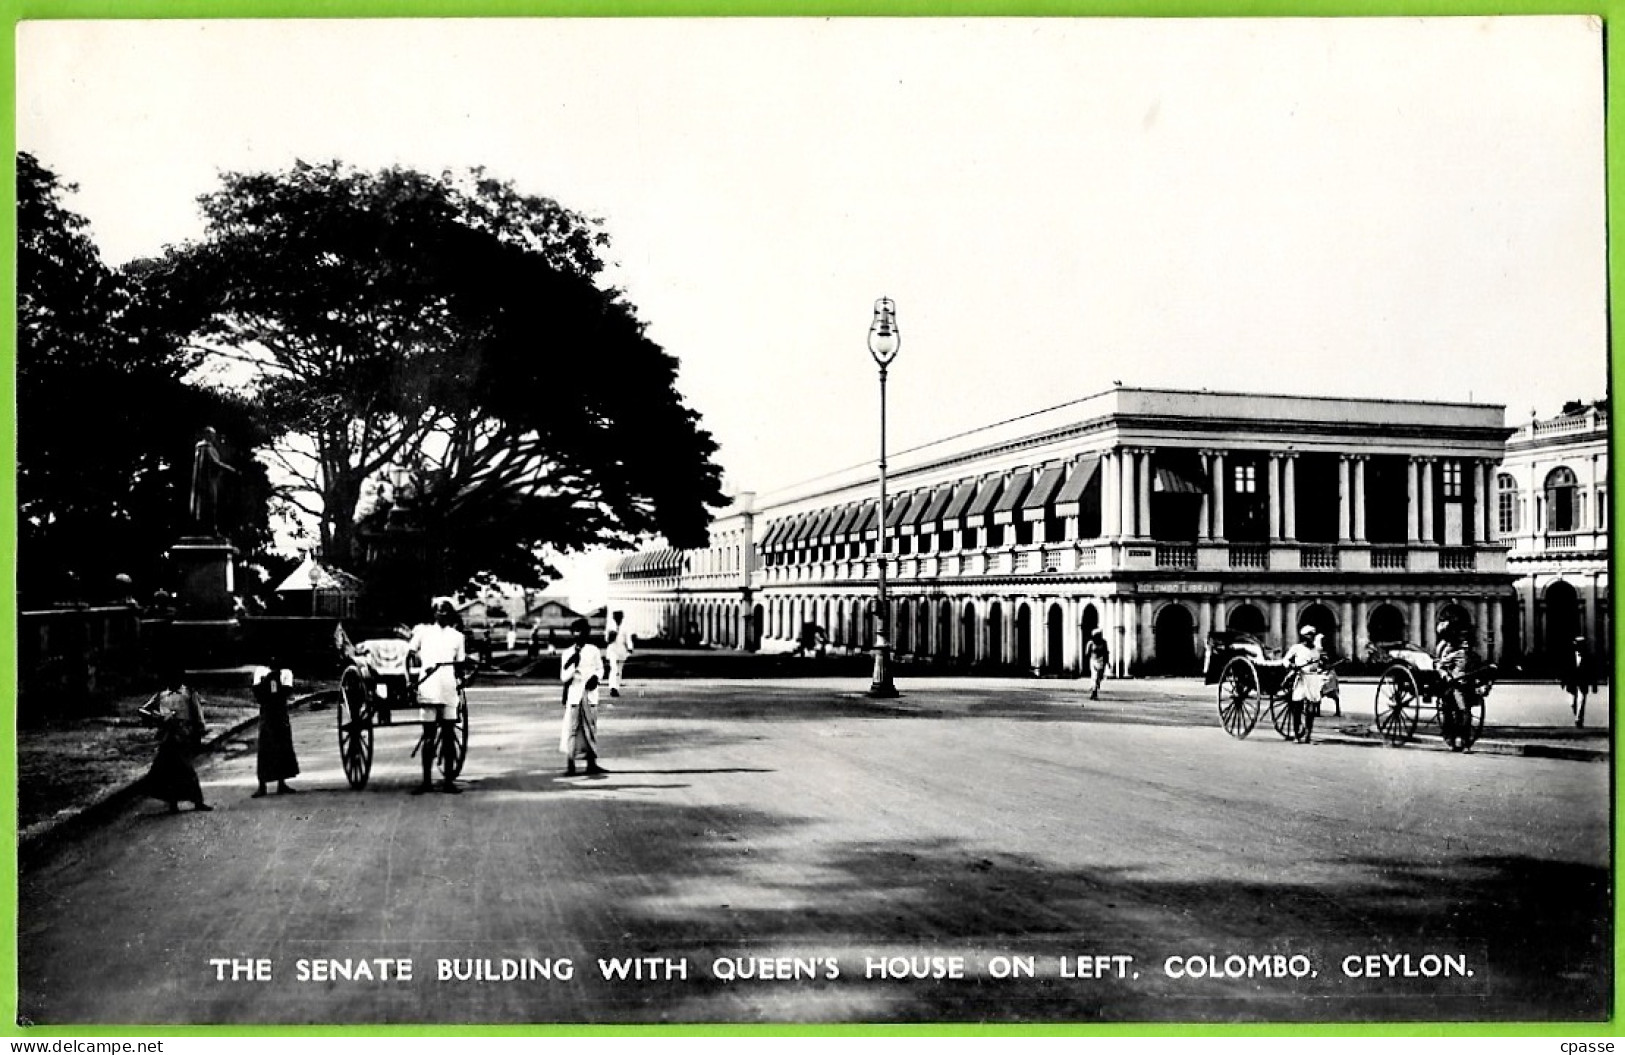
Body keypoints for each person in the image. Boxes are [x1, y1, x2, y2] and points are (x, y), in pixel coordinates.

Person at [407, 599, 468, 795]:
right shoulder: (423, 633)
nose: (443, 614)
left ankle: (448, 781)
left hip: (448, 688)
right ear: (434, 613)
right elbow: (409, 654)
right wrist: (410, 678)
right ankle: (426, 782)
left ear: (451, 615)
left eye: (446, 611)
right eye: (439, 611)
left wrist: (462, 679)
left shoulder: (457, 637)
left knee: (449, 736)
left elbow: (460, 664)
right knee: (428, 736)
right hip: (428, 687)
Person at [136, 669, 213, 813]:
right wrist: (157, 718)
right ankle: (173, 803)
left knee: (187, 769)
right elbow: (142, 710)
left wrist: (200, 732)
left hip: (183, 735)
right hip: (167, 736)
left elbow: (198, 714)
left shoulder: (189, 693)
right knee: (168, 771)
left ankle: (198, 801)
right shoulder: (161, 695)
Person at [559, 618, 608, 776]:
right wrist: (572, 664)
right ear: (572, 634)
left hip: (589, 695)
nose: (579, 635)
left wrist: (596, 677)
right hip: (574, 696)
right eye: (576, 632)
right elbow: (563, 677)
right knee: (571, 729)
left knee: (590, 729)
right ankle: (570, 764)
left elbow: (600, 669)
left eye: (582, 631)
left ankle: (591, 764)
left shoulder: (593, 651)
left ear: (587, 633)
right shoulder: (567, 653)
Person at [250, 662, 300, 798]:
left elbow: (287, 692)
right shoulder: (260, 671)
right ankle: (262, 785)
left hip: (280, 713)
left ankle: (281, 782)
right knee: (265, 748)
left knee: (282, 746)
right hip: (267, 713)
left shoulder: (286, 672)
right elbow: (257, 693)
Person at [189, 427, 238, 535]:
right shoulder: (205, 448)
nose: (214, 437)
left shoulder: (202, 448)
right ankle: (209, 529)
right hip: (206, 484)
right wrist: (229, 469)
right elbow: (214, 463)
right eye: (212, 435)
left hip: (208, 482)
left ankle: (205, 528)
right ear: (206, 435)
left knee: (207, 506)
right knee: (210, 505)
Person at [1283, 626, 1326, 739]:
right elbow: (1285, 660)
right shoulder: (1296, 648)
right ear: (1303, 636)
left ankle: (1308, 734)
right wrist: (1291, 665)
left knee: (1311, 710)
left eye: (1312, 635)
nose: (1311, 637)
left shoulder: (1317, 649)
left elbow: (1321, 662)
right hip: (1301, 678)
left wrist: (1322, 663)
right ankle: (1297, 734)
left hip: (1313, 679)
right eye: (1309, 635)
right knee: (1297, 708)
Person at [1560, 636, 1598, 728]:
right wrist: (1563, 682)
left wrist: (1594, 685)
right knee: (1572, 703)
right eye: (1577, 645)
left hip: (1582, 683)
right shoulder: (1569, 657)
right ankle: (1577, 715)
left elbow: (1592, 672)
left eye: (1581, 645)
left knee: (1581, 701)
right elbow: (1566, 670)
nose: (1579, 647)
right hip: (1572, 683)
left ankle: (1578, 720)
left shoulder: (1589, 657)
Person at [604, 624, 633, 698]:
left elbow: (628, 639)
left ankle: (616, 687)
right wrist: (610, 637)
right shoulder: (610, 627)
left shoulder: (625, 627)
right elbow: (606, 639)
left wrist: (630, 647)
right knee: (614, 668)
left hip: (621, 650)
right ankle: (612, 687)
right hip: (612, 650)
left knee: (619, 670)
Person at [1084, 629, 1110, 701]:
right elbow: (1087, 653)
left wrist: (1107, 662)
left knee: (1100, 677)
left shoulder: (1104, 642)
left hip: (1101, 661)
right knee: (1094, 676)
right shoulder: (1091, 643)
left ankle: (1094, 687)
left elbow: (1106, 652)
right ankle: (1094, 692)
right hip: (1093, 661)